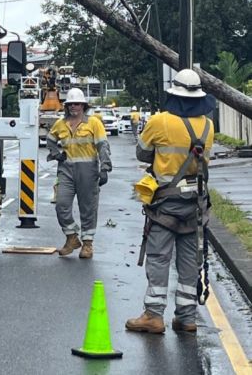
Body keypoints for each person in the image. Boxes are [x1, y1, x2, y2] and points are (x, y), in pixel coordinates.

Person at [126, 69, 215, 334]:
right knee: (189, 259)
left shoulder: (159, 121)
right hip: (196, 203)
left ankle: (154, 315)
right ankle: (187, 317)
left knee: (159, 257)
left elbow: (142, 153)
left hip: (165, 203)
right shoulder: (208, 125)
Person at [46, 88, 112, 258]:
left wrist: (104, 168)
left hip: (88, 171)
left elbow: (102, 146)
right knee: (61, 204)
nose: (74, 107)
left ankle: (87, 244)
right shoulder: (60, 124)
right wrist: (56, 154)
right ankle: (72, 238)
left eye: (77, 104)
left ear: (83, 105)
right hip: (66, 170)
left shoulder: (93, 123)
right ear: (66, 106)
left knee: (88, 208)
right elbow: (50, 139)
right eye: (70, 104)